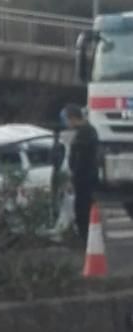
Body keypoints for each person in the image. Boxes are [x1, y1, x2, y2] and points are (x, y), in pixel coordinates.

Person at [64, 103, 99, 244]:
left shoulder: (84, 133)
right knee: (87, 209)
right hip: (88, 177)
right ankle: (88, 239)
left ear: (72, 118)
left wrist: (72, 179)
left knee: (82, 211)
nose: (66, 123)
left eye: (67, 119)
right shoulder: (89, 131)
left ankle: (86, 241)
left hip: (83, 179)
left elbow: (80, 161)